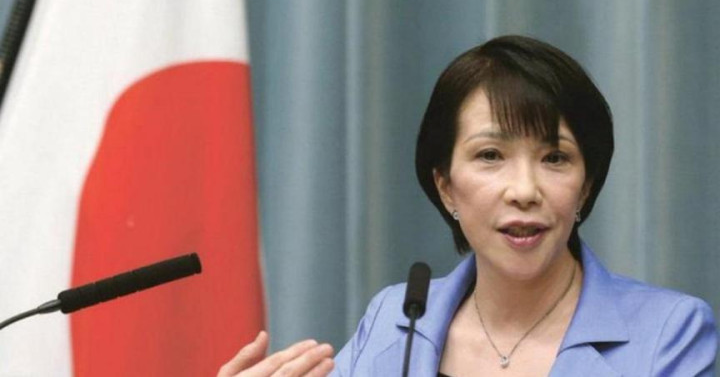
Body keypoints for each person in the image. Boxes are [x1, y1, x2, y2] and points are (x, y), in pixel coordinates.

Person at [218, 36, 718, 376]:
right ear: (446, 187)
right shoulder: (395, 320)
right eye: (490, 156)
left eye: (555, 158)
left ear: (585, 186)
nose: (524, 190)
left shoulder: (668, 334)